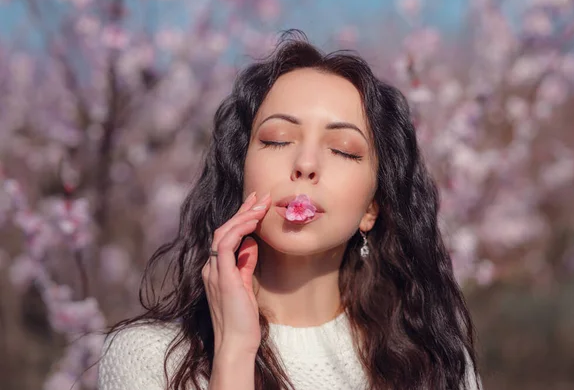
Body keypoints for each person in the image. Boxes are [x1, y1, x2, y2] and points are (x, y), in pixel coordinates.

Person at [97, 30, 482, 390]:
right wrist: (233, 352)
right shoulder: (147, 357)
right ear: (240, 170)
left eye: (343, 149)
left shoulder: (436, 366)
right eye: (278, 139)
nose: (306, 163)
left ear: (372, 208)